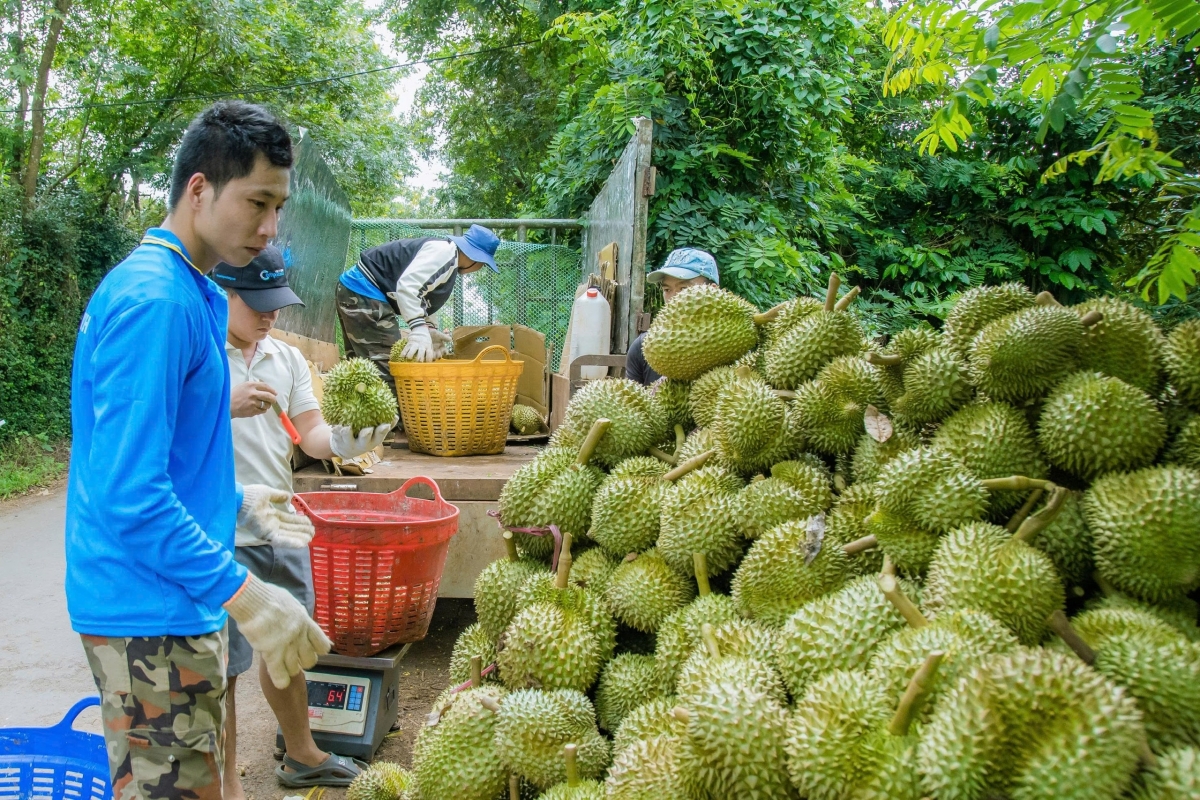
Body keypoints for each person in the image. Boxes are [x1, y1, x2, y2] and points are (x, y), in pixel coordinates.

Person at [65, 101, 330, 800]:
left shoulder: (192, 291)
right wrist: (247, 596)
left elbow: (163, 454)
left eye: (279, 206)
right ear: (199, 189)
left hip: (175, 600)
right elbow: (129, 494)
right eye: (258, 202)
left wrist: (236, 499)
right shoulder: (156, 302)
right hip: (147, 609)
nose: (270, 227)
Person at [213, 246, 394, 795]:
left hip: (280, 526)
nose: (270, 316)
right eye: (258, 304)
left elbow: (309, 433)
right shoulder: (198, 356)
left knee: (289, 644)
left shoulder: (285, 359)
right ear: (224, 294)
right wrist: (223, 401)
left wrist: (345, 439)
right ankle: (223, 782)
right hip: (220, 531)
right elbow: (166, 435)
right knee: (221, 667)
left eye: (277, 304)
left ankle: (301, 754)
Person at [336, 224, 501, 392]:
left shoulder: (450, 261)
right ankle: (395, 418)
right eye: (484, 264)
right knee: (389, 371)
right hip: (364, 291)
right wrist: (418, 329)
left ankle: (364, 417)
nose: (480, 268)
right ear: (476, 258)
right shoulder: (445, 253)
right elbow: (408, 287)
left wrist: (429, 329)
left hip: (357, 290)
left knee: (360, 368)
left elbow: (424, 295)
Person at [626, 248, 720, 385]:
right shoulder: (643, 347)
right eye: (667, 290)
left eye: (684, 289)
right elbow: (630, 402)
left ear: (712, 290)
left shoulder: (738, 346)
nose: (673, 298)